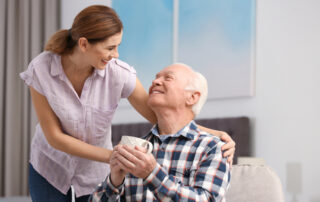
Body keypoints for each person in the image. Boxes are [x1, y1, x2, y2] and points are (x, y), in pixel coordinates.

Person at [20, 5, 234, 202]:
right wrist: (116, 157)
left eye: (118, 46)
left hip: (95, 171)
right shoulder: (41, 69)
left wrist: (212, 134)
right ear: (84, 44)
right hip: (51, 164)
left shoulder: (118, 74)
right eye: (110, 48)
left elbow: (156, 114)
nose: (116, 55)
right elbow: (55, 138)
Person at [89, 63, 231, 201]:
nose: (155, 81)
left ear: (192, 97)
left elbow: (206, 199)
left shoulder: (213, 147)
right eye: (156, 77)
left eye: (168, 78)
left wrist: (152, 174)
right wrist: (114, 182)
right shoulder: (135, 150)